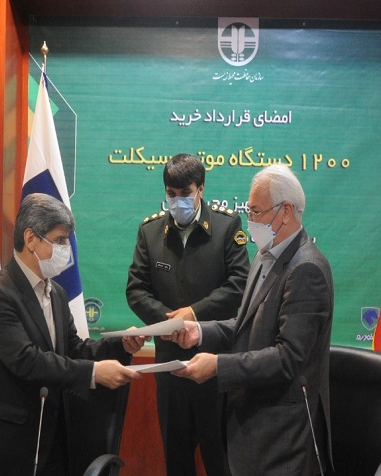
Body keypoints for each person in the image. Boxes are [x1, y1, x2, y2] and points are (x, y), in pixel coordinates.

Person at [0, 193, 147, 476]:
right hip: (6, 447)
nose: (66, 250)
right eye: (59, 240)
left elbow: (72, 348)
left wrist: (120, 345)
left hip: (52, 440)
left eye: (67, 241)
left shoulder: (56, 292)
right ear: (31, 238)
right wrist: (93, 373)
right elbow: (27, 360)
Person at [167, 164, 334, 476]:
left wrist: (219, 366)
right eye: (249, 211)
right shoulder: (263, 256)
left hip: (283, 440)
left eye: (256, 212)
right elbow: (247, 324)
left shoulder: (306, 269)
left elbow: (287, 358)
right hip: (250, 427)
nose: (250, 220)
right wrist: (199, 331)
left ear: (286, 211)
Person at [126, 153, 249, 476]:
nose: (177, 200)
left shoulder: (226, 226)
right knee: (177, 460)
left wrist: (194, 314)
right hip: (171, 368)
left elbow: (240, 285)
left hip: (216, 365)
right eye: (171, 193)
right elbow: (136, 290)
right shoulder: (150, 231)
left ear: (201, 189)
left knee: (220, 459)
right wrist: (168, 320)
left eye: (185, 193)